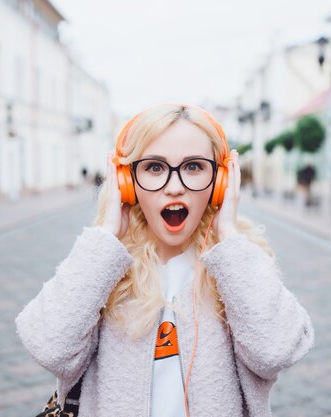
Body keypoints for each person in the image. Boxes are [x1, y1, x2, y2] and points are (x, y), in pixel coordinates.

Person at [16, 104, 314, 416]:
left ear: (220, 182)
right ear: (127, 181)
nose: (175, 187)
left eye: (194, 167)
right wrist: (105, 237)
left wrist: (229, 236)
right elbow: (49, 348)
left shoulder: (238, 266)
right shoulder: (102, 267)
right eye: (155, 167)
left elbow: (276, 353)